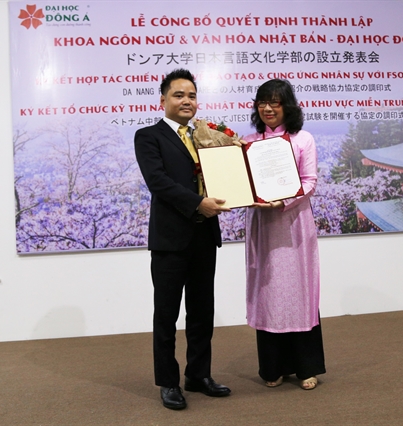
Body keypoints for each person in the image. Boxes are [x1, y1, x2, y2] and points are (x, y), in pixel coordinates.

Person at [134, 68, 232, 410]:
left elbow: (220, 176)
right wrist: (198, 204)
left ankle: (198, 375)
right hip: (170, 241)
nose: (186, 101)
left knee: (202, 311)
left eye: (191, 95)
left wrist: (231, 193)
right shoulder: (148, 136)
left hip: (205, 236)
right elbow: (158, 182)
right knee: (166, 314)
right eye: (179, 95)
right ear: (163, 101)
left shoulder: (205, 136)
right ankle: (168, 382)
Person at [242, 79, 326, 390]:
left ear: (287, 106)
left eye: (274, 102)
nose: (267, 108)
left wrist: (284, 200)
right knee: (269, 294)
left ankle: (306, 367)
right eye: (262, 102)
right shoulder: (248, 141)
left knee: (299, 292)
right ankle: (272, 368)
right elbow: (241, 181)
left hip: (294, 224)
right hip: (263, 226)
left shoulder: (303, 139)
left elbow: (310, 180)